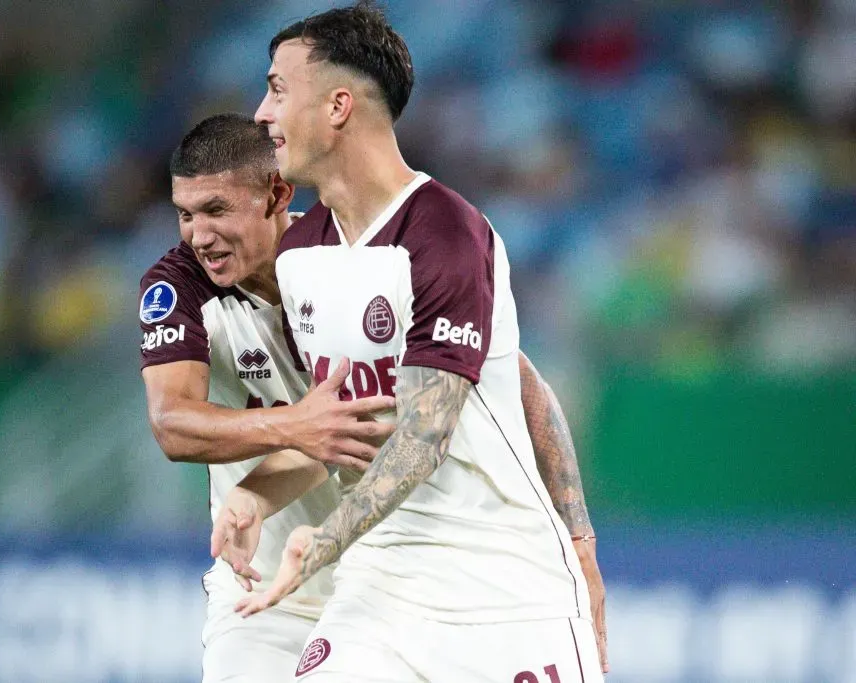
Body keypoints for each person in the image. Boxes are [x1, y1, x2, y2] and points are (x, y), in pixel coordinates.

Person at [240, 3, 608, 681]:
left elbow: (437, 428)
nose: (261, 112)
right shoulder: (298, 253)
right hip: (378, 589)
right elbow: (338, 431)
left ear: (339, 106)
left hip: (502, 591)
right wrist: (253, 495)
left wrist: (579, 536)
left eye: (278, 89)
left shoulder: (446, 232)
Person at [139, 112, 396, 683]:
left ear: (277, 194)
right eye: (185, 214)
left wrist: (576, 531)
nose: (198, 236)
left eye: (216, 210)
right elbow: (171, 422)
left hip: (387, 576)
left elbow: (363, 426)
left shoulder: (351, 257)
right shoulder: (178, 287)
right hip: (261, 590)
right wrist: (293, 427)